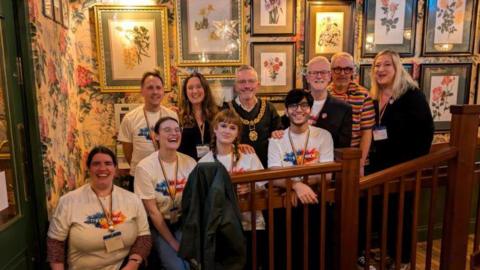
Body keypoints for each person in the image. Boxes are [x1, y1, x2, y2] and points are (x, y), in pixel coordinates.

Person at [359, 50, 434, 270]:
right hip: (379, 169)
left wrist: (409, 166)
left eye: (386, 65)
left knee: (401, 216)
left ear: (397, 68)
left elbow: (425, 134)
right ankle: (388, 256)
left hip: (403, 169)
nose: (380, 70)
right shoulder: (374, 98)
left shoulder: (411, 96)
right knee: (383, 215)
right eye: (376, 66)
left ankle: (403, 260)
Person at [47, 146, 151, 270]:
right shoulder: (68, 202)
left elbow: (144, 237)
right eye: (96, 164)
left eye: (108, 163)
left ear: (115, 168)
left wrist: (132, 264)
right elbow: (55, 244)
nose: (102, 168)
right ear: (88, 168)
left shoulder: (133, 199)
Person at [268, 89, 334, 269]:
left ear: (310, 109)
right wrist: (296, 185)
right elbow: (274, 174)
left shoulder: (324, 136)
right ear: (286, 110)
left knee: (316, 254)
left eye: (304, 105)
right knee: (288, 255)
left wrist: (300, 185)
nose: (299, 110)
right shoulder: (276, 140)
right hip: (286, 203)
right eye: (293, 105)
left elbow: (328, 174)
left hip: (316, 200)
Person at [198, 109, 267, 269]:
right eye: (223, 126)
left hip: (251, 223)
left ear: (237, 133)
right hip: (221, 228)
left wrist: (251, 189)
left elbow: (263, 187)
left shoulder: (249, 156)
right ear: (215, 129)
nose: (227, 131)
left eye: (232, 127)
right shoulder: (204, 163)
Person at [134, 117, 197, 270]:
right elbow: (153, 212)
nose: (173, 134)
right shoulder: (145, 167)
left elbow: (196, 203)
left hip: (184, 223)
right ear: (155, 136)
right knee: (178, 267)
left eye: (177, 130)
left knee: (196, 263)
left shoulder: (190, 163)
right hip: (159, 225)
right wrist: (174, 243)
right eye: (167, 130)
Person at [118, 70, 178, 189]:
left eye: (158, 88)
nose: (155, 92)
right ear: (142, 91)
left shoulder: (172, 116)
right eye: (150, 87)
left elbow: (175, 143)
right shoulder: (130, 118)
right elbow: (128, 152)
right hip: (139, 176)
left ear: (163, 91)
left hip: (166, 175)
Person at [281, 56, 352, 148]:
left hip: (328, 161)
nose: (319, 76)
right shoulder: (293, 103)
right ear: (307, 77)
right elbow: (282, 131)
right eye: (314, 72)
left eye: (323, 72)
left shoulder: (343, 109)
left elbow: (343, 148)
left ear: (329, 76)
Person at [327, 52, 375, 175]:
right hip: (327, 160)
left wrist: (360, 164)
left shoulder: (363, 95)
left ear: (353, 71)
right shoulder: (324, 94)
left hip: (355, 160)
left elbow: (367, 133)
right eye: (338, 69)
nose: (342, 73)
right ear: (331, 71)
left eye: (347, 69)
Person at [230, 65, 283, 168]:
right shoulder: (226, 109)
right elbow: (218, 142)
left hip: (268, 168)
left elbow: (279, 135)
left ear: (257, 85)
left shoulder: (269, 108)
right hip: (238, 170)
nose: (247, 86)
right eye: (242, 82)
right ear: (235, 86)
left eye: (251, 81)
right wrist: (235, 147)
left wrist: (277, 134)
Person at [178, 72, 219, 160]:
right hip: (187, 169)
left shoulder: (217, 115)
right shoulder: (178, 117)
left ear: (205, 90)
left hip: (212, 167)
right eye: (190, 88)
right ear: (185, 92)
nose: (195, 91)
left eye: (199, 87)